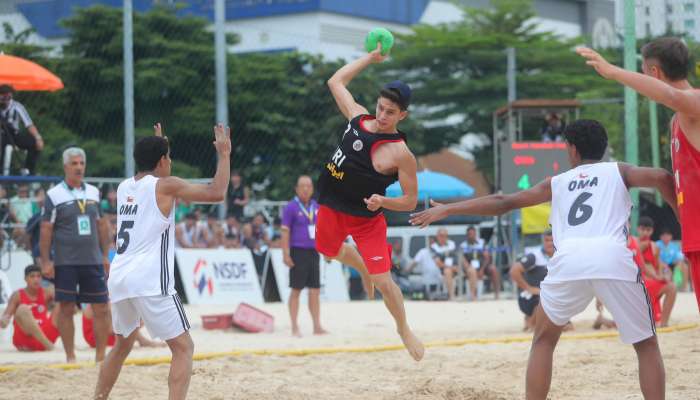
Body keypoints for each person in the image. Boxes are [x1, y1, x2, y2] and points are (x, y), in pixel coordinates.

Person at [410, 119, 676, 399]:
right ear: (604, 148)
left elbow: (503, 202)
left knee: (543, 341)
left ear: (572, 150)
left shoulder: (557, 182)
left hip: (568, 260)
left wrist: (450, 210)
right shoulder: (619, 171)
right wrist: (685, 217)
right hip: (610, 256)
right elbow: (661, 176)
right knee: (646, 344)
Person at [94, 122, 231, 400]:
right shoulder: (165, 186)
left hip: (120, 278)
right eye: (167, 157)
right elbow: (216, 193)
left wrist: (158, 145)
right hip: (149, 279)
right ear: (161, 161)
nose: (170, 162)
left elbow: (150, 178)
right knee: (183, 348)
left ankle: (98, 397)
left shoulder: (123, 188)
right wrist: (225, 155)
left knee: (122, 346)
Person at [314, 42, 424, 361]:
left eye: (391, 112)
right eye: (380, 107)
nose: (383, 115)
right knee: (328, 251)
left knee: (384, 282)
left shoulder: (402, 154)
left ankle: (403, 328)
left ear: (403, 115)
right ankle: (360, 264)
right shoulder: (358, 118)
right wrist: (371, 58)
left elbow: (410, 200)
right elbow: (335, 82)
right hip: (332, 206)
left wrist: (383, 201)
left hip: (366, 219)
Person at [578, 38, 700, 311]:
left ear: (653, 73)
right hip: (695, 233)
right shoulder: (677, 120)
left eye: (643, 71)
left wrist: (613, 72)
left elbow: (671, 95)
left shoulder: (695, 103)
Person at [40, 147, 111, 363]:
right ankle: (70, 357)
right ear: (65, 167)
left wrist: (106, 255)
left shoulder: (93, 192)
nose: (79, 167)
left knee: (101, 307)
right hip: (65, 261)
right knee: (66, 308)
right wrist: (45, 261)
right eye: (74, 163)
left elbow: (102, 225)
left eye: (81, 163)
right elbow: (46, 229)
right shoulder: (54, 194)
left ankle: (100, 357)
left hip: (92, 260)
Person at [281, 175, 326, 337]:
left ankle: (317, 326)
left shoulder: (316, 206)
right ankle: (294, 326)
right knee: (296, 289)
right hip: (297, 251)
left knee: (315, 290)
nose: (306, 189)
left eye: (309, 186)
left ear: (312, 189)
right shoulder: (291, 207)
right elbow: (285, 232)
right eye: (302, 186)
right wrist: (285, 254)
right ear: (297, 189)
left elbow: (323, 230)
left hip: (314, 251)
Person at [0, 265, 59, 351]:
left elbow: (72, 310)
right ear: (25, 279)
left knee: (62, 305)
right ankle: (49, 345)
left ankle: (69, 345)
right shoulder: (17, 295)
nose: (36, 279)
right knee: (22, 309)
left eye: (38, 276)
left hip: (44, 335)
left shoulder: (47, 293)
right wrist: (4, 320)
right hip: (26, 339)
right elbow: (5, 318)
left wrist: (60, 298)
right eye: (32, 276)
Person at [633, 217, 676, 327]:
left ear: (652, 231)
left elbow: (658, 266)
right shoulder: (633, 242)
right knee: (637, 322)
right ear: (638, 229)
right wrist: (641, 247)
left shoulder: (654, 246)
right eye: (642, 229)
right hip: (638, 282)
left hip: (651, 282)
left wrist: (664, 275)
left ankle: (664, 323)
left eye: (648, 230)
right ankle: (603, 320)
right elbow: (635, 262)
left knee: (671, 287)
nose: (645, 233)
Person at [510, 232, 554, 332]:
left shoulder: (559, 255)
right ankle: (531, 321)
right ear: (543, 241)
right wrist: (528, 288)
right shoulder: (534, 256)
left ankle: (532, 320)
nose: (550, 243)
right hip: (530, 297)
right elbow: (514, 271)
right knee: (544, 298)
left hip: (549, 296)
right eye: (547, 240)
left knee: (568, 328)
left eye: (552, 240)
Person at [0, 84, 43, 175]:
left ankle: (28, 171)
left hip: (14, 134)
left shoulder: (17, 107)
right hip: (2, 136)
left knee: (33, 143)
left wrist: (38, 138)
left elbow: (29, 124)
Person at [459, 226, 501, 300]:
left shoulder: (482, 242)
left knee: (493, 269)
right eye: (469, 234)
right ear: (467, 235)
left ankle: (497, 294)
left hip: (482, 267)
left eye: (473, 234)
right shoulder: (463, 245)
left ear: (475, 234)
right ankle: (473, 296)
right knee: (472, 271)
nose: (471, 236)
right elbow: (463, 260)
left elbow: (487, 258)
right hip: (470, 268)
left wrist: (482, 269)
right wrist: (469, 268)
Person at [430, 228, 458, 300]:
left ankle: (473, 296)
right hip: (441, 270)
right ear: (437, 236)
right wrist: (451, 267)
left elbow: (457, 256)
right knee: (447, 271)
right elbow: (438, 263)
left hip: (455, 267)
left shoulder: (452, 244)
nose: (443, 237)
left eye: (445, 235)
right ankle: (451, 296)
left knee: (471, 270)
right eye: (441, 235)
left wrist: (456, 266)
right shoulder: (434, 247)